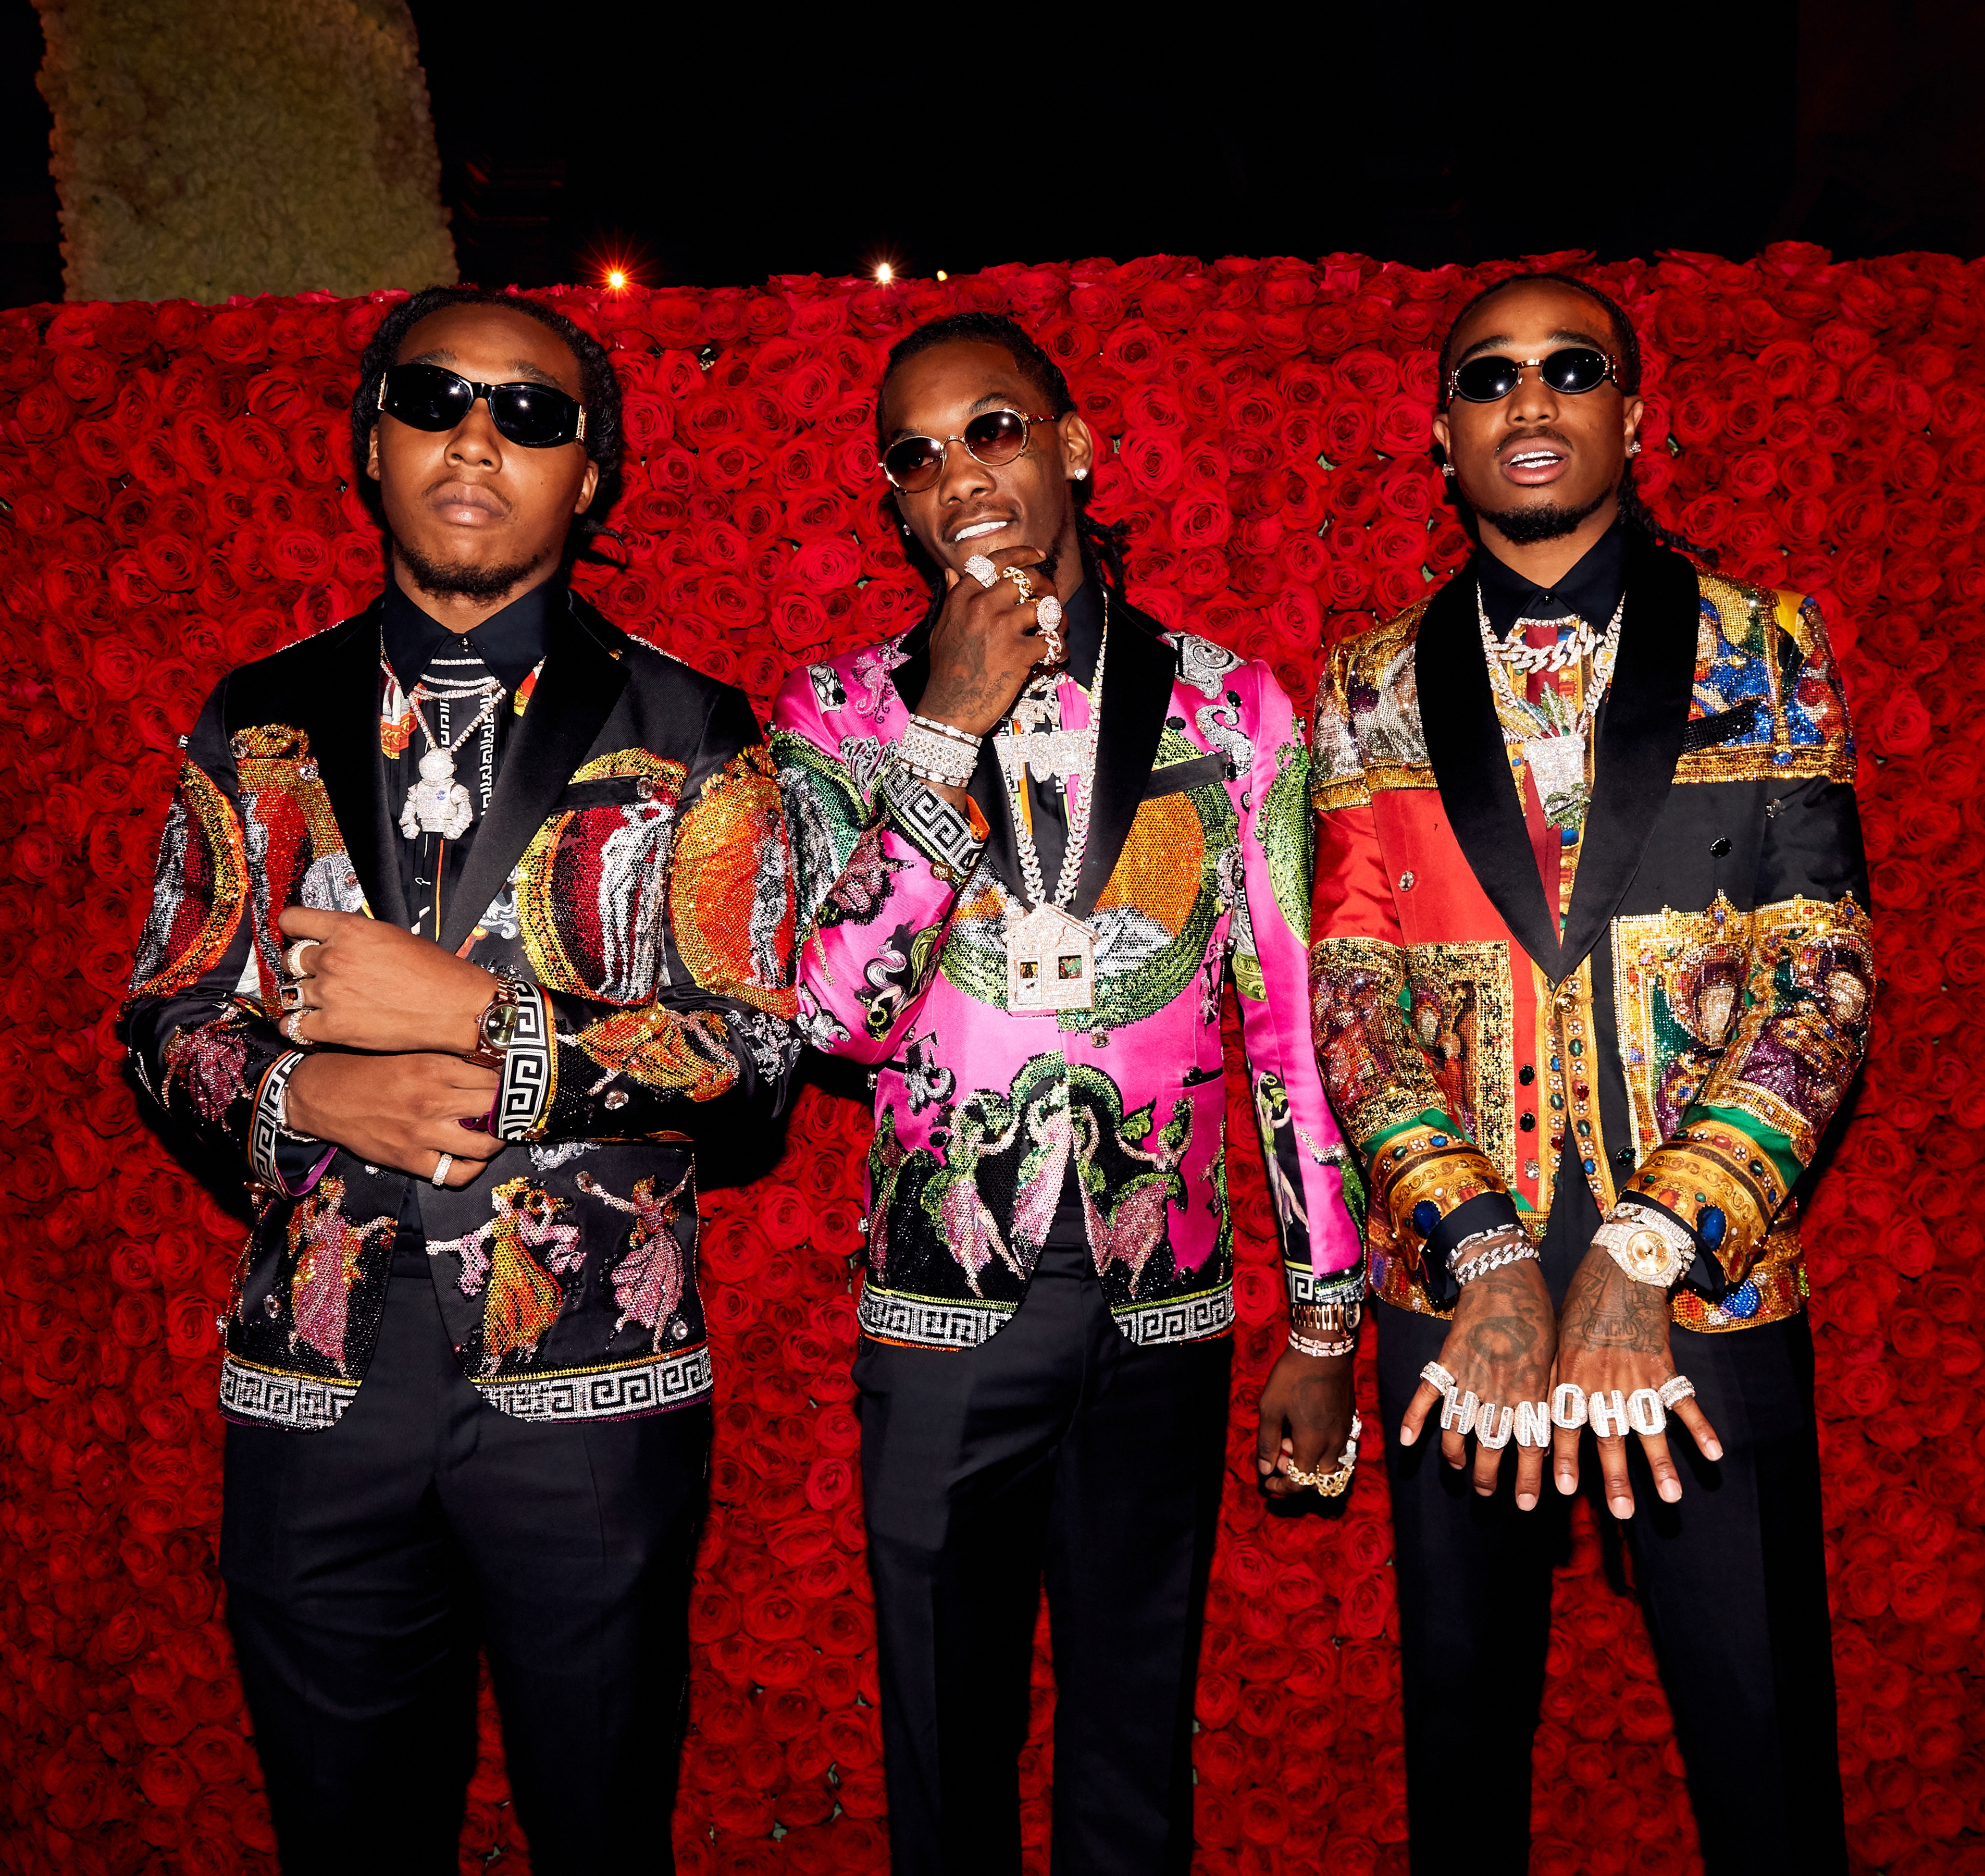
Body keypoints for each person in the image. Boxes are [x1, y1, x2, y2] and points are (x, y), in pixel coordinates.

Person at [119, 285, 800, 1874]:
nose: (478, 438)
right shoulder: (257, 718)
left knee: (599, 1826)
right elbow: (165, 1015)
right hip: (314, 1376)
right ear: (373, 443)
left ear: (590, 477)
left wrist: (491, 1024)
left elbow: (758, 1055)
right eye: (435, 399)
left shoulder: (695, 727)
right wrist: (303, 1102)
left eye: (534, 413)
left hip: (591, 1389)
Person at [771, 312, 1364, 1875]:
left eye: (993, 428)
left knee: (1130, 1741)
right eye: (915, 453)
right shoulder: (838, 714)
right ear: (893, 503)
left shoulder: (1235, 710)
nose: (957, 472)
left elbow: (1292, 1027)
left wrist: (1322, 1317)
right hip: (937, 1295)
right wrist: (941, 732)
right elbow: (834, 1010)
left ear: (1075, 445)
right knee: (944, 1754)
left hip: (1163, 1296)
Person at [1306, 273, 1872, 1873]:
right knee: (1462, 1761)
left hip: (1703, 1282)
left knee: (1762, 1753)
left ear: (1633, 411)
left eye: (1572, 370)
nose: (1530, 401)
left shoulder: (1763, 643)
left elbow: (1816, 971)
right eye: (1490, 379)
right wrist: (1482, 1248)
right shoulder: (1362, 680)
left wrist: (1647, 1249)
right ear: (1441, 432)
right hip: (1457, 1295)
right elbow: (1352, 1000)